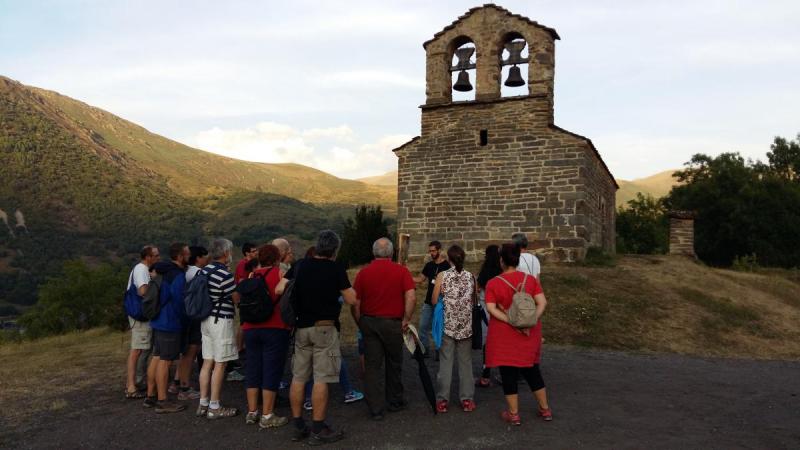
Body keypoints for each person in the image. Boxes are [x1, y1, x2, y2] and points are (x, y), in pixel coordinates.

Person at [282, 230, 356, 445]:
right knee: (321, 378)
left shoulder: (300, 265)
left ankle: (298, 426)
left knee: (298, 377)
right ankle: (317, 428)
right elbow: (351, 299)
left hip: (301, 328)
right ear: (334, 249)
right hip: (324, 328)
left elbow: (280, 288)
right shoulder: (335, 269)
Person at [485, 243, 552, 425]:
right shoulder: (530, 280)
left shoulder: (494, 283)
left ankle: (514, 414)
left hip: (505, 335)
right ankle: (545, 409)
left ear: (501, 261)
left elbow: (491, 308)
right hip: (529, 334)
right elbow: (542, 303)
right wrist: (530, 320)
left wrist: (511, 321)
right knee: (532, 371)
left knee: (508, 373)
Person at [352, 238, 415, 421]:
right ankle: (395, 401)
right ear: (391, 253)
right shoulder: (401, 271)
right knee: (394, 363)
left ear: (374, 253)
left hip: (369, 323)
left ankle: (375, 408)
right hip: (393, 323)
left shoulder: (363, 273)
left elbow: (355, 303)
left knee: (372, 366)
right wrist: (406, 318)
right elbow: (411, 297)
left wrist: (360, 323)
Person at [242, 244, 292, 429]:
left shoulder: (251, 275)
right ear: (277, 258)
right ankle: (268, 414)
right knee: (271, 370)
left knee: (253, 369)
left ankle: (252, 411)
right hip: (274, 327)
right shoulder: (280, 274)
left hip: (250, 328)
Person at [197, 238, 240, 420]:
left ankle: (203, 403)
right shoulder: (224, 275)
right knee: (220, 364)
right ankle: (215, 406)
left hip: (205, 320)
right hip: (220, 320)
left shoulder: (203, 271)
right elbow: (236, 299)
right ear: (225, 253)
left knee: (208, 362)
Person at [431, 244, 476, 413]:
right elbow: (473, 300)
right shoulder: (471, 277)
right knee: (466, 364)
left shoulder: (443, 275)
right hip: (465, 325)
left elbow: (434, 300)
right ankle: (467, 399)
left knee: (445, 363)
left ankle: (442, 400)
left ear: (448, 259)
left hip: (448, 325)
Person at [146, 243, 190, 413]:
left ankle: (151, 396)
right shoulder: (177, 275)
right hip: (170, 322)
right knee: (166, 361)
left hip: (158, 320)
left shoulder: (163, 270)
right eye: (186, 254)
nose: (188, 257)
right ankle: (163, 401)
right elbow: (179, 301)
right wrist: (185, 319)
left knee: (157, 357)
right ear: (179, 256)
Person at [171, 245, 208, 399]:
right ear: (198, 258)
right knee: (190, 352)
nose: (207, 259)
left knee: (185, 353)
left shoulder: (186, 272)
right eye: (205, 256)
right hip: (193, 317)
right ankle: (184, 388)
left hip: (185, 316)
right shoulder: (197, 273)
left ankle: (177, 382)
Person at [125, 245, 159, 399]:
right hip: (140, 315)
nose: (158, 258)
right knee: (137, 350)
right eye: (156, 255)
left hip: (142, 315)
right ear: (148, 257)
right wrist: (154, 280)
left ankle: (138, 382)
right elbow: (142, 291)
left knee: (144, 349)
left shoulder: (142, 269)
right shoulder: (141, 270)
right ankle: (131, 386)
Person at [413, 241, 450, 357]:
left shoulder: (447, 266)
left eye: (433, 251)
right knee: (423, 326)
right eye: (430, 251)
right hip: (428, 302)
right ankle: (424, 350)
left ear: (439, 250)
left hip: (441, 302)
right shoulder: (429, 265)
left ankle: (440, 351)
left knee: (440, 328)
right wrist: (405, 276)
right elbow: (420, 279)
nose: (431, 253)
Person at [475, 245, 502, 387]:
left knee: (488, 343)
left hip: (486, 309)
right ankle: (506, 373)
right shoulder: (502, 271)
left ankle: (486, 375)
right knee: (502, 342)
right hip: (501, 309)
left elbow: (478, 288)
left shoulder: (485, 271)